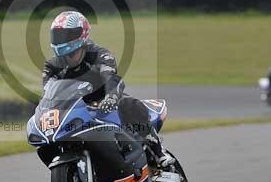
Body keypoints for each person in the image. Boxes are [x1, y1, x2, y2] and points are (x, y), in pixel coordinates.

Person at [42, 10, 175, 168]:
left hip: (105, 101)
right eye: (57, 35)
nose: (61, 40)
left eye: (65, 35)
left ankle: (158, 151)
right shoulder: (52, 66)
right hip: (76, 108)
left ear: (81, 34)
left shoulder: (100, 54)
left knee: (129, 104)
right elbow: (48, 93)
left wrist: (110, 98)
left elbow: (111, 78)